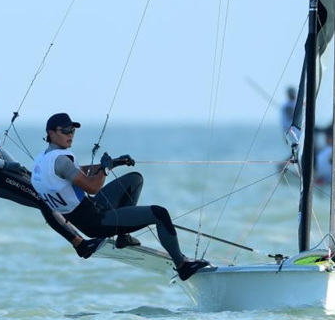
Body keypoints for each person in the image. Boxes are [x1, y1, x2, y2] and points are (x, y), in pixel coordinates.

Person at [0, 73, 119, 260]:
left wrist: (17, 166)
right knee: (44, 199)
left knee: (49, 195)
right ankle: (80, 244)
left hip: (0, 169)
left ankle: (93, 228)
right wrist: (6, 165)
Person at [30, 112, 210, 281]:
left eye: (73, 130)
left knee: (134, 179)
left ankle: (123, 236)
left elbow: (76, 172)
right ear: (51, 133)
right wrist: (105, 169)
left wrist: (113, 163)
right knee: (160, 214)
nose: (71, 134)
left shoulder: (43, 159)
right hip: (96, 222)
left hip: (90, 209)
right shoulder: (61, 160)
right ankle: (183, 265)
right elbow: (92, 187)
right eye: (65, 130)